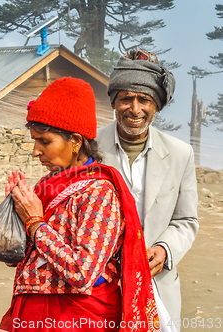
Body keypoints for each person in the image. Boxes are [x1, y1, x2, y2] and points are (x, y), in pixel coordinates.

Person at [0, 77, 160, 332]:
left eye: (45, 141)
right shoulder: (47, 186)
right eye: (34, 141)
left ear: (75, 141)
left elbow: (81, 274)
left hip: (75, 320)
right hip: (34, 316)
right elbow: (18, 258)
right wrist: (15, 215)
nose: (35, 151)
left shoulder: (99, 193)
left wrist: (34, 222)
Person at [96, 50, 198, 325]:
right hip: (98, 287)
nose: (135, 108)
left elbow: (186, 220)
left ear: (157, 106)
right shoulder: (89, 148)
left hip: (156, 284)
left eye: (144, 99)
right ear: (114, 102)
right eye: (126, 98)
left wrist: (164, 249)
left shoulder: (180, 154)